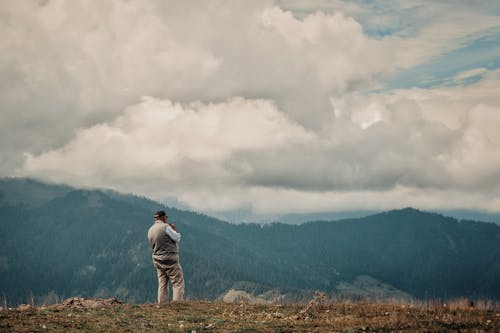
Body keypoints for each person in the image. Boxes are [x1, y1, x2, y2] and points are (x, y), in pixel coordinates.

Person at [147, 210, 185, 305]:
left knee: (162, 283)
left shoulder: (150, 230)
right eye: (166, 217)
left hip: (157, 259)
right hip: (170, 259)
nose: (166, 219)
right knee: (177, 282)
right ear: (163, 217)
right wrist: (174, 230)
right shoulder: (166, 227)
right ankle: (177, 303)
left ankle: (162, 303)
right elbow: (177, 238)